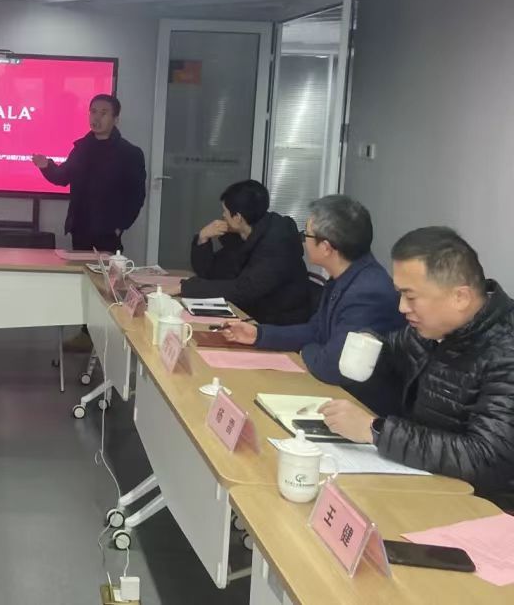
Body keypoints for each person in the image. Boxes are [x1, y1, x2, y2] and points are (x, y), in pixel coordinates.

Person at [320, 227, 514, 508]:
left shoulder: (505, 350)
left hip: (483, 508)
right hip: (425, 482)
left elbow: (485, 457)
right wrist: (368, 342)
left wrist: (375, 430)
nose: (401, 308)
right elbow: (392, 350)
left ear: (460, 297)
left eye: (411, 297)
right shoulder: (432, 330)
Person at [222, 195, 404, 414]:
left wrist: (304, 349)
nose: (303, 240)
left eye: (306, 234)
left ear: (326, 247)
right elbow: (316, 330)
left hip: (361, 410)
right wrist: (259, 334)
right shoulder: (347, 275)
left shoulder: (368, 293)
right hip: (335, 395)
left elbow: (331, 366)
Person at [181, 180, 311, 324]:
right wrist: (203, 238)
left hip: (279, 323)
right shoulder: (247, 233)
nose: (223, 215)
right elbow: (211, 273)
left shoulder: (277, 243)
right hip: (253, 313)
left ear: (237, 217)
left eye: (225, 211)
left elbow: (243, 290)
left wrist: (185, 288)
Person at [31, 94, 146, 254]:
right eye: (93, 112)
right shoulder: (81, 148)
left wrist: (120, 226)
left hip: (108, 231)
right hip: (80, 228)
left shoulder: (129, 153)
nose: (96, 117)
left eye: (103, 113)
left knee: (106, 269)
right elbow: (62, 177)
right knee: (80, 268)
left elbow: (136, 196)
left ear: (115, 119)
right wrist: (46, 166)